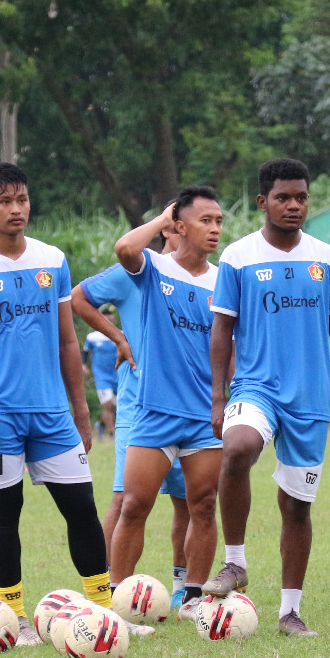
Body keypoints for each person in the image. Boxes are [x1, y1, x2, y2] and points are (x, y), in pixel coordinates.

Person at [0, 162, 129, 647]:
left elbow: (70, 343)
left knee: (83, 509)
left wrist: (82, 411)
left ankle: (105, 611)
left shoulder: (52, 259)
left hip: (52, 415)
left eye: (22, 199)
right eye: (4, 201)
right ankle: (13, 619)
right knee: (5, 513)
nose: (16, 209)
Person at [207, 158, 330, 637]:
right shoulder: (238, 257)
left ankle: (289, 613)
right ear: (263, 202)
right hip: (255, 388)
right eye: (284, 197)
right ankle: (234, 562)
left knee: (297, 507)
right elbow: (222, 329)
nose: (294, 205)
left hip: (311, 399)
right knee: (236, 448)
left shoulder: (325, 257)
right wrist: (218, 397)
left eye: (301, 197)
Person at [108, 186, 226, 621]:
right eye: (204, 220)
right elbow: (124, 247)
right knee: (135, 504)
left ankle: (193, 600)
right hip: (155, 413)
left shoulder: (223, 281)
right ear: (180, 225)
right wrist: (161, 220)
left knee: (203, 506)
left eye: (218, 221)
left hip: (203, 419)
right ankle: (119, 604)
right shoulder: (155, 268)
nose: (214, 229)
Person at [71, 219, 193, 607]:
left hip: (189, 408)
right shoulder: (138, 271)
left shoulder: (205, 279)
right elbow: (78, 297)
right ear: (168, 233)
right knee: (126, 501)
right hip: (139, 408)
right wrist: (119, 337)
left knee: (189, 502)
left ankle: (182, 590)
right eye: (181, 229)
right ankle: (106, 592)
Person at [82, 312, 120, 437]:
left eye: (111, 314)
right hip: (101, 376)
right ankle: (112, 434)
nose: (109, 317)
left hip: (117, 375)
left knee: (115, 406)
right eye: (106, 314)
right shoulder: (93, 337)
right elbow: (85, 352)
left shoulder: (119, 334)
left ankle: (100, 425)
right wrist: (83, 365)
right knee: (107, 404)